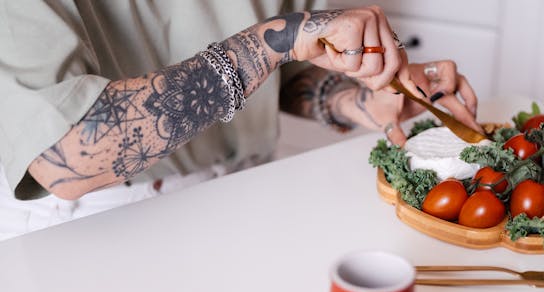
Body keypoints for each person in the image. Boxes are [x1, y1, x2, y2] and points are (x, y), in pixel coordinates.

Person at [0, 1, 480, 239]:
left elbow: (280, 76)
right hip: (94, 224)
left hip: (246, 191)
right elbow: (65, 154)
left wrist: (357, 101)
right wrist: (276, 40)